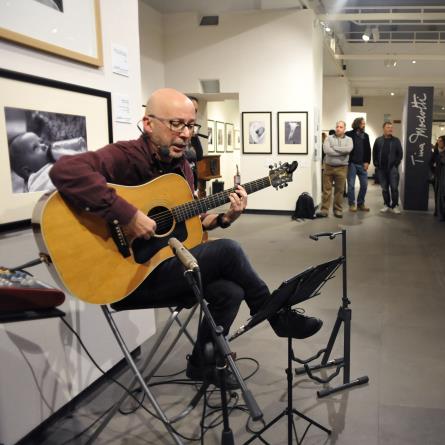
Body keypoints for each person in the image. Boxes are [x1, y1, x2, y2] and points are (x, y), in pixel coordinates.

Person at [49, 88, 322, 386]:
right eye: (176, 124)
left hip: (163, 267)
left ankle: (203, 363)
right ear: (149, 123)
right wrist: (127, 214)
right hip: (127, 277)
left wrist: (225, 217)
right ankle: (274, 315)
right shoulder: (126, 156)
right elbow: (66, 170)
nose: (185, 134)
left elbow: (190, 219)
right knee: (228, 251)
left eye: (191, 125)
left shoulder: (181, 167)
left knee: (230, 291)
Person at [318, 120, 353, 218]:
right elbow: (327, 151)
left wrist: (334, 147)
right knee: (326, 190)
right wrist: (341, 152)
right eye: (337, 126)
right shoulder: (328, 138)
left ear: (344, 129)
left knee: (339, 190)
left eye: (341, 127)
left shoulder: (349, 139)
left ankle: (337, 210)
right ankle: (324, 210)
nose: (338, 128)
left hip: (342, 168)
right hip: (328, 167)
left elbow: (348, 150)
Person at [372, 121, 403, 213]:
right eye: (388, 127)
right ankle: (386, 204)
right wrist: (376, 164)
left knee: (394, 188)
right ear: (384, 128)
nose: (390, 129)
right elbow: (374, 152)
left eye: (391, 127)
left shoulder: (396, 140)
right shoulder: (378, 140)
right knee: (384, 188)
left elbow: (400, 154)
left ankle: (395, 205)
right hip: (381, 169)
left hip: (392, 169)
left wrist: (395, 164)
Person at [345, 117, 372, 212]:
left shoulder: (366, 136)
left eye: (364, 124)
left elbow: (368, 150)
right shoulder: (348, 134)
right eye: (362, 124)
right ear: (357, 124)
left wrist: (367, 162)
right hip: (352, 164)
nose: (364, 125)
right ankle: (352, 204)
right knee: (351, 185)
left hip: (362, 164)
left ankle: (361, 203)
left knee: (364, 185)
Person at [186, 96, 205, 184]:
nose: (194, 113)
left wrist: (194, 136)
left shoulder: (192, 130)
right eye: (192, 109)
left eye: (196, 111)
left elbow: (199, 156)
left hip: (192, 182)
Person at [432, 135, 445, 220]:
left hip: (444, 176)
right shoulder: (436, 151)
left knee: (442, 195)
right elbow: (431, 162)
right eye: (438, 141)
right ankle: (437, 211)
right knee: (436, 194)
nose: (439, 142)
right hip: (437, 175)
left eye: (441, 141)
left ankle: (442, 213)